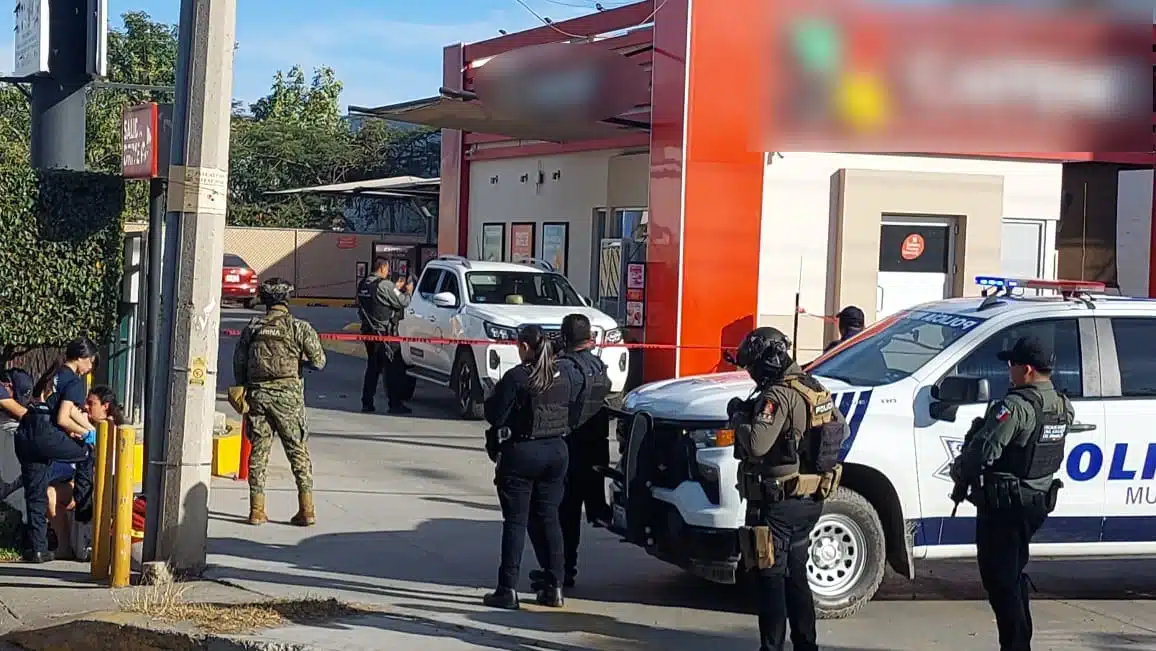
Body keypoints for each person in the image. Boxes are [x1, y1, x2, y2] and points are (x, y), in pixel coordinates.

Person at [950, 335, 1071, 651]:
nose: (1008, 370)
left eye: (1012, 364)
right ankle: (1019, 641)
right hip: (1036, 502)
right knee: (1012, 575)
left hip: (1006, 507)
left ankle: (1016, 645)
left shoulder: (1015, 408)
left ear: (1027, 369)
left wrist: (960, 469)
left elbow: (982, 453)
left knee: (1001, 581)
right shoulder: (1060, 404)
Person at [730, 326, 848, 651]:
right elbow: (842, 428)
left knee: (769, 580)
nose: (753, 375)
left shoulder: (776, 395)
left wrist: (738, 418)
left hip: (777, 503)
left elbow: (756, 443)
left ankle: (771, 648)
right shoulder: (813, 387)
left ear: (767, 361)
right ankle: (806, 645)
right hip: (809, 500)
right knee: (796, 577)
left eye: (753, 367)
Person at [482, 325, 571, 610]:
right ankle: (554, 586)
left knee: (516, 522)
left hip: (522, 453)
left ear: (523, 347)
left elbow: (495, 415)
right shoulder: (562, 375)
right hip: (556, 451)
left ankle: (507, 589)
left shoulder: (518, 377)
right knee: (549, 518)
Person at [233, 278, 327, 527]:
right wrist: (299, 363)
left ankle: (256, 510)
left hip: (259, 397)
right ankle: (306, 509)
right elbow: (319, 361)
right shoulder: (299, 327)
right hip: (289, 399)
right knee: (298, 452)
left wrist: (245, 389)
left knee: (259, 453)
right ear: (287, 299)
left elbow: (239, 365)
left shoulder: (252, 327)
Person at [530, 313, 612, 590]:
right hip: (593, 450)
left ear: (564, 338)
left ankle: (558, 571)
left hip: (567, 448)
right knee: (570, 515)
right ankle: (566, 568)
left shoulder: (563, 369)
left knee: (557, 515)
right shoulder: (599, 367)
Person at [14, 364, 93, 563]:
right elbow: (65, 416)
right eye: (91, 362)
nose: (90, 368)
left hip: (26, 433)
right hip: (46, 430)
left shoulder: (51, 376)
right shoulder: (73, 381)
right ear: (83, 358)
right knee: (85, 452)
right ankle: (82, 503)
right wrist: (88, 433)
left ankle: (38, 548)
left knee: (35, 494)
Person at [357, 258, 414, 415]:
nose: (388, 272)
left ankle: (367, 402)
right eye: (387, 269)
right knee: (393, 368)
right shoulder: (385, 285)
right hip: (384, 334)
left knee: (373, 368)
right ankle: (394, 404)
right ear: (382, 268)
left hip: (368, 331)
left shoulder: (363, 284)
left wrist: (394, 288)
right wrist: (408, 290)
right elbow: (402, 302)